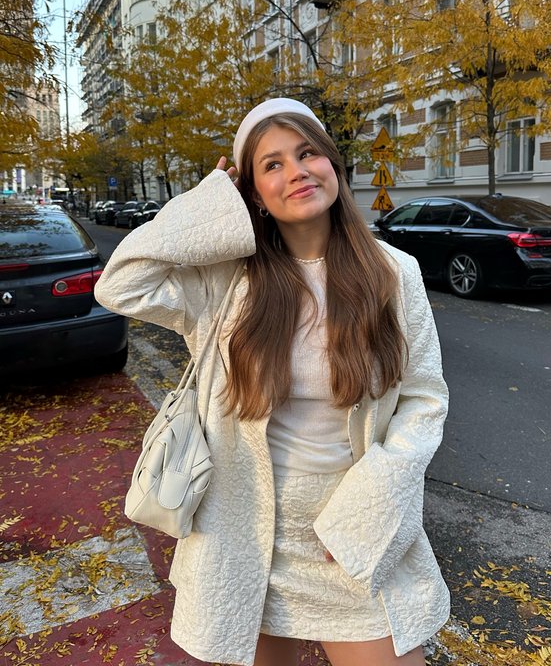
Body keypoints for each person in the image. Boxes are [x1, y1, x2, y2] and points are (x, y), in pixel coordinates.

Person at [94, 98, 450, 666]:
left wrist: (372, 506)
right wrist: (211, 201)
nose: (297, 172)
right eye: (272, 164)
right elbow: (121, 283)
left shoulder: (392, 272)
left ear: (332, 163)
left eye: (308, 153)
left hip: (353, 530)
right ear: (253, 193)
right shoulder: (224, 283)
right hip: (245, 533)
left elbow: (424, 399)